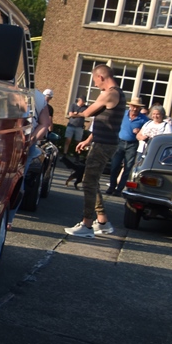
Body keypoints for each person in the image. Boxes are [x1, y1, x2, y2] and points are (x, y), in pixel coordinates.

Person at [65, 65, 126, 238]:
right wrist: (88, 140)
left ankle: (87, 224)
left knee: (89, 182)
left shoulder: (109, 94)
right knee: (92, 181)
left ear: (100, 77)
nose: (96, 85)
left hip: (103, 145)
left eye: (95, 81)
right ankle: (103, 222)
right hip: (103, 142)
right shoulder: (118, 93)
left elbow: (87, 113)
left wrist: (74, 114)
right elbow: (105, 122)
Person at [7, 88, 52, 230]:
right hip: (25, 144)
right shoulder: (37, 96)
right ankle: (8, 219)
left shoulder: (1, 87)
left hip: (4, 140)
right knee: (18, 180)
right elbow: (45, 124)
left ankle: (1, 218)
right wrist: (31, 140)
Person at [105, 96, 149, 196]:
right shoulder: (123, 114)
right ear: (130, 106)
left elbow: (146, 132)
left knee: (128, 168)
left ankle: (119, 189)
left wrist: (140, 132)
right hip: (119, 142)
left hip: (132, 144)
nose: (135, 109)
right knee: (114, 166)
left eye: (137, 107)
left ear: (140, 108)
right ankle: (112, 187)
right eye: (133, 106)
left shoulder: (144, 119)